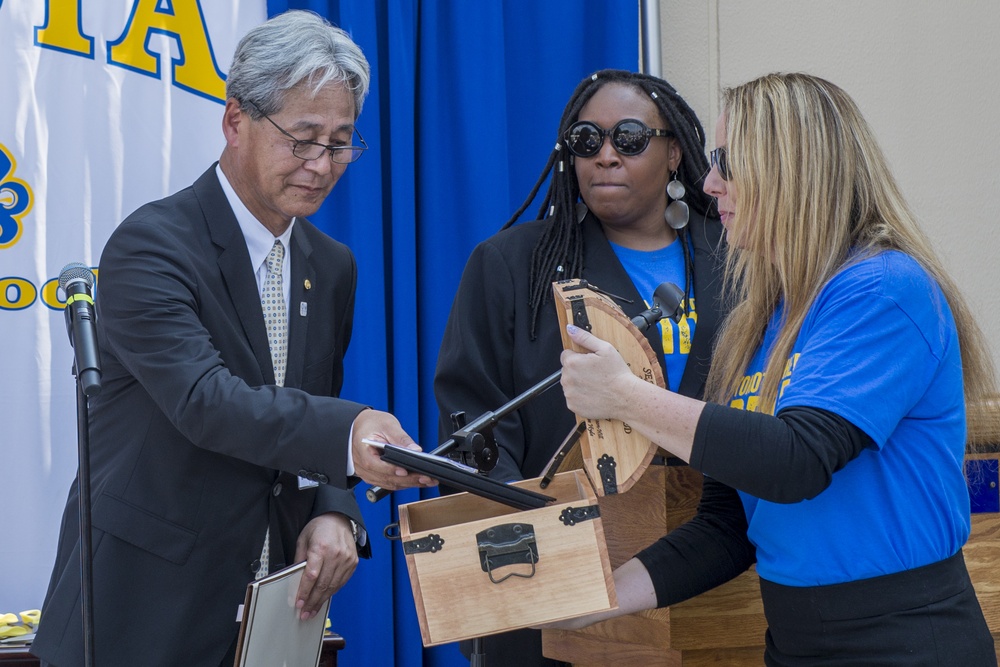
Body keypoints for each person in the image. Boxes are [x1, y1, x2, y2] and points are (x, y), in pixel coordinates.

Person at [32, 11, 434, 667]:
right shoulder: (150, 245)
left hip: (268, 621)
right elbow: (205, 400)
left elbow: (307, 404)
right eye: (302, 138)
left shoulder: (331, 266)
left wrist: (333, 508)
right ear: (235, 121)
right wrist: (351, 434)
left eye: (339, 143)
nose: (321, 165)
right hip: (140, 616)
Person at [555, 72, 998, 665]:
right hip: (794, 641)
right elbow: (727, 525)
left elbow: (797, 460)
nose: (710, 184)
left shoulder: (883, 290)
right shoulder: (759, 321)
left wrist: (625, 397)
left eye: (728, 162)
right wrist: (591, 599)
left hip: (903, 639)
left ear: (793, 170)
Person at [433, 69, 727, 666]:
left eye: (628, 138)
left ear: (674, 152)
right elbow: (478, 436)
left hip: (720, 575)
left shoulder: (739, 261)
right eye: (586, 142)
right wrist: (538, 549)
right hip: (558, 584)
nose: (605, 156)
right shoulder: (513, 266)